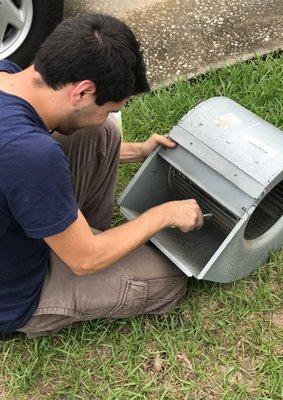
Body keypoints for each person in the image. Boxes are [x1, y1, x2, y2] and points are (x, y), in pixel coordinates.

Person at [0, 14, 203, 339]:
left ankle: (82, 231)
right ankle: (82, 241)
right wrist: (163, 214)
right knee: (169, 277)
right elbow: (84, 261)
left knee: (101, 134)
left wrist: (136, 152)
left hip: (13, 223)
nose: (106, 116)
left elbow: (16, 172)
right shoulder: (31, 155)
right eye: (109, 108)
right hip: (13, 292)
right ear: (82, 92)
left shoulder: (8, 76)